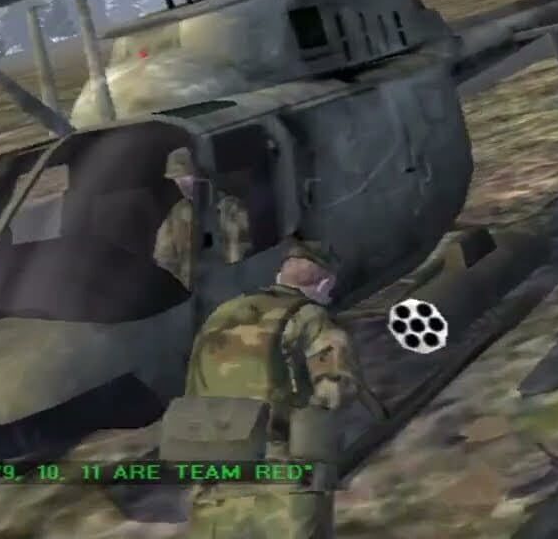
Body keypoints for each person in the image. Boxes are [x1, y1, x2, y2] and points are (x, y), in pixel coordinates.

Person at [168, 239, 388, 539]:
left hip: (216, 476)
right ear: (324, 284)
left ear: (280, 276)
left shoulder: (221, 316)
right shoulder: (310, 317)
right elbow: (335, 387)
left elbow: (194, 388)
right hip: (282, 475)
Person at [153, 148, 252, 286]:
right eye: (176, 179)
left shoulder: (230, 208)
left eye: (186, 177)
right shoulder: (177, 213)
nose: (180, 183)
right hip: (193, 290)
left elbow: (240, 254)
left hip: (226, 286)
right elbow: (164, 258)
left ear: (199, 175)